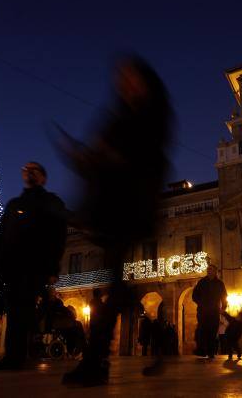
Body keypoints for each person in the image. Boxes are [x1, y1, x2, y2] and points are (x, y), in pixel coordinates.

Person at [57, 56, 173, 386]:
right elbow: (95, 164)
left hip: (131, 209)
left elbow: (152, 162)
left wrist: (118, 159)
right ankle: (155, 344)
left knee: (118, 286)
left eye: (131, 77)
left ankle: (96, 361)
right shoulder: (116, 118)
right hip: (109, 209)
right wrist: (81, 156)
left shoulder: (153, 117)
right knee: (120, 288)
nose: (125, 83)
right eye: (121, 78)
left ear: (145, 81)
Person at [0, 162, 67, 370]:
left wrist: (52, 268)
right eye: (26, 169)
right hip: (11, 264)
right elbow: (2, 235)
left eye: (35, 170)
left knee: (21, 307)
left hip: (34, 264)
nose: (29, 172)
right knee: (14, 308)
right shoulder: (14, 204)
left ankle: (15, 357)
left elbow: (58, 236)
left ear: (43, 177)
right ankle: (15, 355)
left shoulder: (50, 202)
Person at [192, 264, 228, 360]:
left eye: (211, 269)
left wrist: (223, 307)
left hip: (214, 311)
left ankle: (211, 352)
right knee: (202, 330)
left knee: (212, 331)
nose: (209, 271)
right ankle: (202, 350)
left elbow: (224, 296)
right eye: (208, 269)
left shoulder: (220, 283)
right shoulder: (202, 282)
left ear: (215, 271)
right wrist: (201, 303)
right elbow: (194, 295)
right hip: (202, 311)